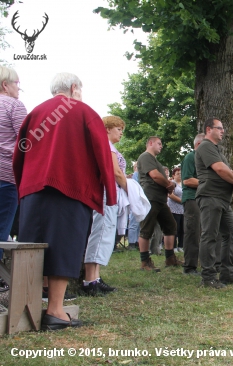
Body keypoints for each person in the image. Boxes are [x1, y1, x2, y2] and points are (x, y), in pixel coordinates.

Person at [13, 72, 116, 330]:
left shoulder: (35, 113)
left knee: (32, 246)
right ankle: (56, 311)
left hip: (33, 188)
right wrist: (110, 194)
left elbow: (19, 152)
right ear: (73, 88)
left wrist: (22, 187)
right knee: (64, 246)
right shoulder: (84, 112)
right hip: (71, 188)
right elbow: (103, 155)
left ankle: (28, 305)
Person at [195, 118, 233, 288]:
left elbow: (228, 169)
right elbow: (220, 169)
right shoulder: (205, 146)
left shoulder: (217, 149)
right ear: (209, 129)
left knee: (232, 232)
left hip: (223, 199)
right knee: (209, 235)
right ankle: (208, 277)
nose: (223, 131)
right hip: (211, 196)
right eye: (220, 128)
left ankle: (226, 273)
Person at [81, 116, 127, 296]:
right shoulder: (106, 146)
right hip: (106, 193)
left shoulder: (109, 146)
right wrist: (129, 189)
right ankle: (89, 280)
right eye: (118, 128)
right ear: (107, 129)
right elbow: (115, 172)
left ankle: (96, 277)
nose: (121, 132)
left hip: (109, 193)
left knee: (105, 233)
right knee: (100, 233)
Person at [137, 136, 181, 271]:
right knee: (146, 229)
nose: (161, 146)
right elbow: (155, 175)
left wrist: (168, 185)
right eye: (159, 143)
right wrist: (168, 184)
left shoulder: (154, 159)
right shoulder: (145, 157)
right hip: (150, 198)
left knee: (170, 226)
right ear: (150, 143)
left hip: (160, 199)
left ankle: (170, 258)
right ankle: (145, 262)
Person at [0, 66, 26, 250]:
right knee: (2, 230)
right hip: (6, 176)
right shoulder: (14, 106)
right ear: (5, 85)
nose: (19, 88)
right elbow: (27, 143)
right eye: (17, 83)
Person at [181, 133, 204, 275]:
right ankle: (189, 266)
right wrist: (208, 183)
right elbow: (187, 180)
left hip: (202, 198)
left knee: (201, 232)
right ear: (199, 145)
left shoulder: (203, 158)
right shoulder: (191, 157)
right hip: (191, 198)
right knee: (192, 231)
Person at [168, 167, 184, 253]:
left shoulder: (183, 183)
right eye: (178, 174)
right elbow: (170, 195)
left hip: (183, 210)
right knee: (175, 228)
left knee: (183, 228)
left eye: (181, 174)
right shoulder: (172, 183)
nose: (180, 175)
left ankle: (181, 245)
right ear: (173, 175)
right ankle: (173, 246)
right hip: (174, 209)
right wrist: (182, 201)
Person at [127, 162, 140, 249]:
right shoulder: (136, 175)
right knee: (134, 222)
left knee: (138, 223)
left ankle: (136, 241)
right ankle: (131, 242)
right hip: (136, 201)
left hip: (139, 201)